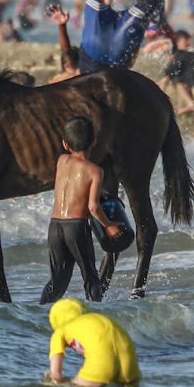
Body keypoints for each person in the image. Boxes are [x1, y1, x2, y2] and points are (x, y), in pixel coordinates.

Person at [40, 118, 122, 303]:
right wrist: (108, 225)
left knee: (57, 281)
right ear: (94, 141)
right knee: (90, 277)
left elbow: (73, 186)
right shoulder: (95, 171)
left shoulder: (61, 161)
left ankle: (39, 315)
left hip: (55, 226)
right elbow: (93, 207)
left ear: (65, 144)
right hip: (76, 227)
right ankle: (96, 315)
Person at [46, 298, 140, 387]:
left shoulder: (60, 331)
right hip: (129, 359)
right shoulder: (98, 318)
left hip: (101, 364)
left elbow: (56, 375)